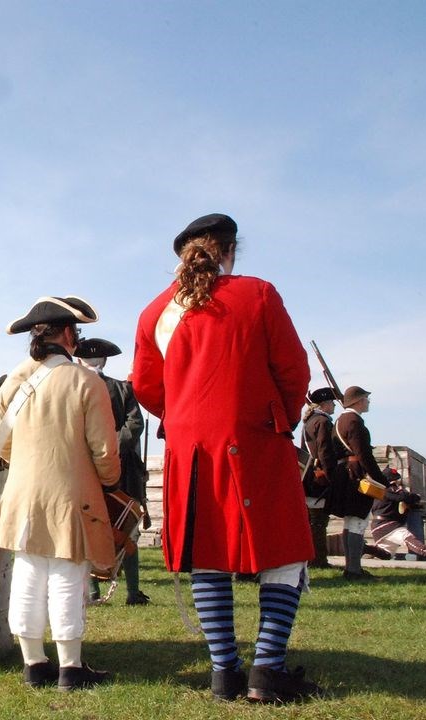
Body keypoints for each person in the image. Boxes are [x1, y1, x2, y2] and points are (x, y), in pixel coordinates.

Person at [133, 214, 321, 703]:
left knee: (206, 556)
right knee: (284, 552)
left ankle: (224, 672)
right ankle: (267, 670)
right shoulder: (257, 293)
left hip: (188, 445)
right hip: (255, 434)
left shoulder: (154, 312)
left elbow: (148, 389)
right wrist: (280, 413)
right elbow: (292, 368)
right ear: (229, 250)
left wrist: (187, 416)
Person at [0, 295, 120, 692]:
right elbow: (104, 451)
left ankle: (34, 665)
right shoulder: (85, 381)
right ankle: (71, 669)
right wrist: (110, 482)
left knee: (27, 575)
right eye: (76, 332)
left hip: (22, 494)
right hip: (70, 495)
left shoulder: (12, 382)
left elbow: (2, 446)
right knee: (66, 576)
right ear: (67, 334)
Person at [76, 338, 151, 606]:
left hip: (94, 468)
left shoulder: (82, 389)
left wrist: (102, 450)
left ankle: (115, 592)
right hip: (118, 467)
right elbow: (133, 425)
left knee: (99, 527)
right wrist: (112, 449)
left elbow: (134, 423)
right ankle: (127, 592)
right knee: (121, 529)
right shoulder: (119, 388)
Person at [333, 385, 388, 580]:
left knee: (350, 522)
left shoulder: (340, 420)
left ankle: (351, 567)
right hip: (356, 475)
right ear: (358, 401)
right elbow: (363, 454)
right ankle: (353, 570)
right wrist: (381, 479)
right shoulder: (354, 421)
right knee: (357, 521)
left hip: (346, 474)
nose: (368, 402)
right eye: (365, 398)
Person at [300, 387, 341, 569]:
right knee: (319, 522)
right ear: (324, 404)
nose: (333, 406)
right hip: (319, 477)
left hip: (310, 475)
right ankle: (318, 560)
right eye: (331, 403)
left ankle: (312, 558)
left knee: (314, 520)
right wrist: (332, 475)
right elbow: (325, 451)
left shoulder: (310, 421)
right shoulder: (323, 422)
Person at [370, 469, 426, 561]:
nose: (397, 482)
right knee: (407, 538)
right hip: (388, 525)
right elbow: (404, 497)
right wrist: (417, 497)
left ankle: (364, 549)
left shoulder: (379, 491)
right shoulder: (390, 489)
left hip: (379, 526)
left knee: (386, 554)